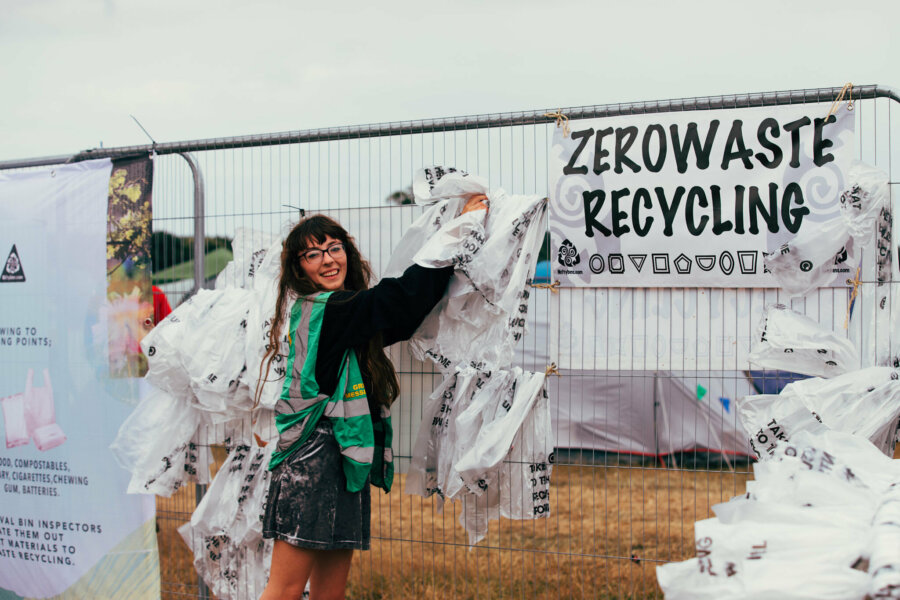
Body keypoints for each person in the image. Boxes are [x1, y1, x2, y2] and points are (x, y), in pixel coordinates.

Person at [258, 194, 488, 600]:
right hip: (309, 465)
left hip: (345, 462)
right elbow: (396, 300)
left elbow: (403, 312)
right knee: (285, 592)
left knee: (331, 593)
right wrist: (458, 231)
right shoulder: (327, 308)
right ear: (299, 270)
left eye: (334, 248)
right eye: (313, 255)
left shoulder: (345, 312)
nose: (329, 260)